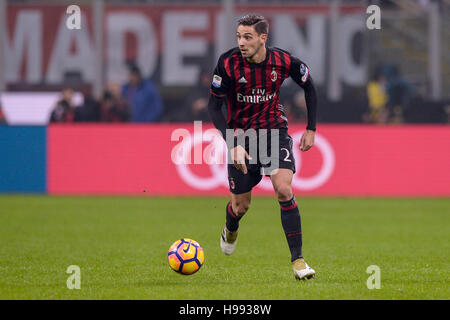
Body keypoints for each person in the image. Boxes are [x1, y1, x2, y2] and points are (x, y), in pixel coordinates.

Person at [207, 14, 317, 280]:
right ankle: (230, 227)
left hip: (273, 132)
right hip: (241, 138)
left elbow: (310, 87)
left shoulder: (283, 61)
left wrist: (311, 128)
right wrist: (232, 143)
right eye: (238, 37)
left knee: (283, 189)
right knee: (241, 205)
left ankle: (298, 261)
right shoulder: (227, 63)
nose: (241, 43)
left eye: (247, 37)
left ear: (262, 38)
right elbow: (214, 106)